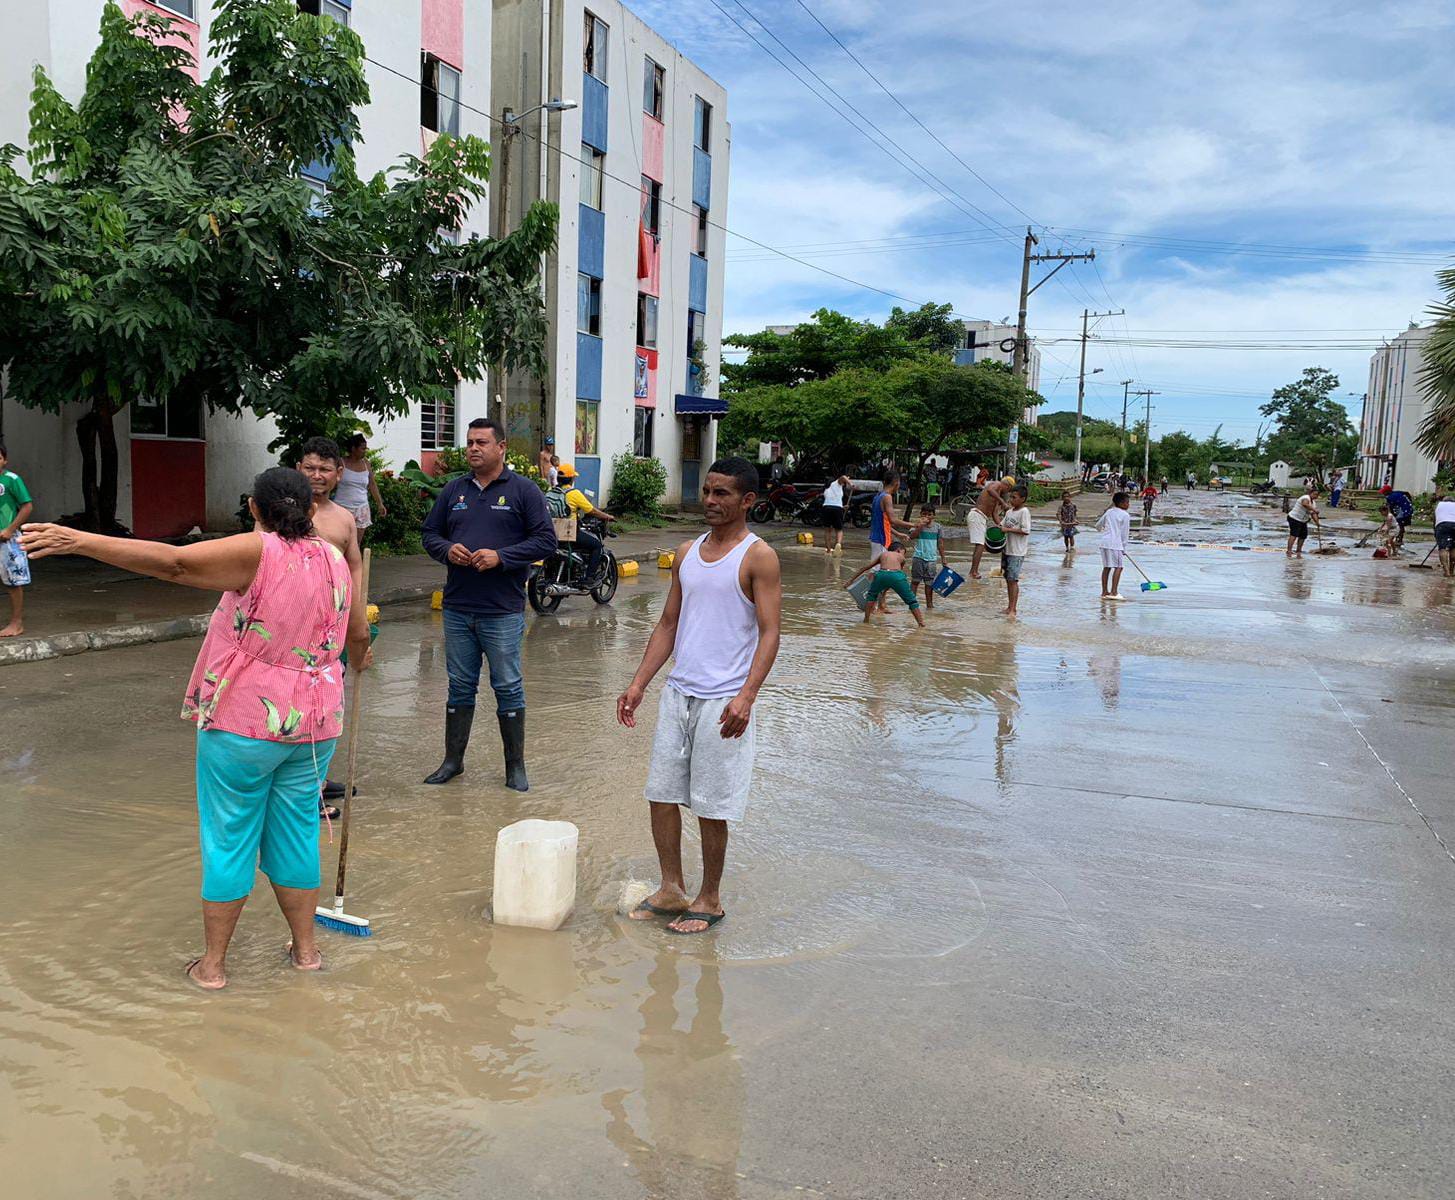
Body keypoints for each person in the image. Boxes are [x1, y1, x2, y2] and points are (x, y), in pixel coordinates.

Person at [22, 468, 369, 989]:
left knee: (229, 836)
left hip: (248, 719)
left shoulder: (259, 550)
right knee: (297, 833)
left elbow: (177, 563)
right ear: (310, 507)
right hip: (317, 723)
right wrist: (358, 654)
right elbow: (357, 633)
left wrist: (79, 540)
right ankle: (306, 954)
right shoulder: (336, 560)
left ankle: (212, 967)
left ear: (254, 507)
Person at [616, 457, 782, 935]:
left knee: (712, 805)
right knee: (661, 795)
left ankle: (710, 898)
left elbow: (771, 633)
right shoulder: (687, 553)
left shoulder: (758, 557)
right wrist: (638, 683)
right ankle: (672, 888)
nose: (710, 500)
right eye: (707, 491)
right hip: (679, 695)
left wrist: (747, 696)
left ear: (747, 500)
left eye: (722, 493)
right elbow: (669, 623)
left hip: (723, 701)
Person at [421, 419, 557, 791]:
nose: (473, 449)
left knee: (508, 685)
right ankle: (453, 762)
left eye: (482, 442)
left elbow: (546, 541)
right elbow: (430, 535)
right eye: (469, 443)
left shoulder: (524, 491)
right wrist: (448, 549)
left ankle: (515, 767)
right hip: (458, 606)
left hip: (502, 609)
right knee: (460, 686)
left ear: (502, 447)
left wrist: (503, 557)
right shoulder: (454, 491)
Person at [296, 436, 374, 817]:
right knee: (298, 706)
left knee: (328, 704)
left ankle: (319, 778)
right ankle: (304, 790)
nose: (317, 476)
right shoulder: (285, 514)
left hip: (333, 625)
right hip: (292, 628)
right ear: (299, 469)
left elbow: (354, 565)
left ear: (339, 473)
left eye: (325, 469)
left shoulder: (344, 518)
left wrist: (356, 613)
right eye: (310, 468)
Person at [557, 462, 616, 583]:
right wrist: (607, 516)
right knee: (596, 546)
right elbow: (592, 510)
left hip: (552, 532)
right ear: (571, 479)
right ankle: (588, 577)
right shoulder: (574, 493)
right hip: (568, 533)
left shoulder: (552, 492)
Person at [0, 441, 34, 638]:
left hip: (8, 539)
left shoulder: (12, 480)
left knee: (13, 581)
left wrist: (10, 529)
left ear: (5, 460)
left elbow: (27, 506)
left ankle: (16, 622)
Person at [860, 541, 925, 627]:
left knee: (871, 597)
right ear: (898, 550)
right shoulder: (901, 558)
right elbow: (898, 573)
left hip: (881, 574)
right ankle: (921, 624)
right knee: (912, 601)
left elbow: (865, 568)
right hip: (897, 575)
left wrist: (850, 581)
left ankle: (866, 620)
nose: (903, 555)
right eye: (903, 553)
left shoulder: (883, 554)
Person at [336, 434, 387, 534]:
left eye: (366, 448)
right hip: (342, 507)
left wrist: (380, 504)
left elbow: (372, 484)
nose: (365, 451)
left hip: (362, 508)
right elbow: (331, 482)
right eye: (362, 448)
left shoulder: (366, 464)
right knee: (340, 539)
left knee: (357, 542)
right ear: (353, 448)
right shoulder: (341, 462)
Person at [968, 475, 1016, 580]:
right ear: (1006, 485)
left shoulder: (998, 495)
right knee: (980, 545)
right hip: (977, 514)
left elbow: (994, 514)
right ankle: (973, 572)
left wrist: (1001, 526)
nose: (1007, 492)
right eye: (1008, 489)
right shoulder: (996, 484)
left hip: (982, 517)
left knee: (981, 544)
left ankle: (973, 570)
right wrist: (1002, 502)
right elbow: (989, 489)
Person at [999, 486, 1031, 620]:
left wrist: (1007, 529)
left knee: (1013, 580)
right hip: (1007, 549)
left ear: (1022, 499)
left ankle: (1013, 608)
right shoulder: (1009, 512)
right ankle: (1009, 606)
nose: (1011, 500)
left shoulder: (1024, 512)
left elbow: (1025, 530)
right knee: (1008, 579)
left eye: (1014, 497)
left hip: (1017, 551)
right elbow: (1001, 526)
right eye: (1010, 497)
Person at [909, 504, 947, 611]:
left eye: (929, 514)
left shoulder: (937, 527)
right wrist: (920, 526)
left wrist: (943, 558)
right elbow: (912, 536)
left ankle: (929, 605)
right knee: (915, 581)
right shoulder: (916, 525)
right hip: (918, 557)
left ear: (933, 516)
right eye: (924, 514)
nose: (927, 517)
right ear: (920, 514)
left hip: (931, 559)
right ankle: (911, 604)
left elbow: (940, 543)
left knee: (929, 583)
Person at [1098, 492, 1132, 600]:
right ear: (1121, 503)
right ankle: (1113, 592)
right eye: (1127, 502)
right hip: (1115, 544)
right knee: (1119, 567)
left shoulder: (1109, 512)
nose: (1128, 504)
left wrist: (1105, 531)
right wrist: (1124, 548)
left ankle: (1104, 592)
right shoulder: (1125, 515)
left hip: (1104, 542)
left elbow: (1098, 525)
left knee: (1107, 567)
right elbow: (1124, 534)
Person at [819, 473, 850, 555]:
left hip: (826, 508)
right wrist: (851, 483)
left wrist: (842, 507)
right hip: (837, 509)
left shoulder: (826, 489)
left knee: (827, 530)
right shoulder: (836, 483)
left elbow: (831, 502)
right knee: (839, 530)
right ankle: (838, 545)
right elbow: (843, 477)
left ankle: (828, 550)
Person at [1286, 484, 1320, 556]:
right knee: (1294, 534)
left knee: (1303, 535)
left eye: (1317, 495)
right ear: (1310, 493)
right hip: (1294, 518)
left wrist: (1317, 522)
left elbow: (1313, 514)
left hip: (1303, 520)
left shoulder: (1313, 503)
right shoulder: (1305, 497)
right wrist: (1314, 510)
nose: (1315, 496)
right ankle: (1289, 551)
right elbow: (1305, 504)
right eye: (1314, 494)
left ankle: (1298, 550)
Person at [1434, 492, 1455, 577]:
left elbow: (1435, 520)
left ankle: (1446, 572)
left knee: (1443, 549)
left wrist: (1436, 533)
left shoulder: (1439, 505)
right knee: (1453, 547)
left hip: (1442, 525)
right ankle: (1452, 571)